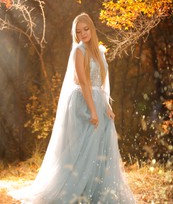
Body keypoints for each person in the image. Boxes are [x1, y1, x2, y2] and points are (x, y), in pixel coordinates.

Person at [10, 13, 135, 203]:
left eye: (86, 29)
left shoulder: (99, 52)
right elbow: (84, 83)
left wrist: (106, 106)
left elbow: (100, 84)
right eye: (78, 31)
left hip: (98, 100)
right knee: (83, 145)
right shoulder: (79, 51)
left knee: (100, 143)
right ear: (75, 34)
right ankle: (77, 189)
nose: (83, 33)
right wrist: (93, 110)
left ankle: (97, 188)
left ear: (92, 28)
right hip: (82, 102)